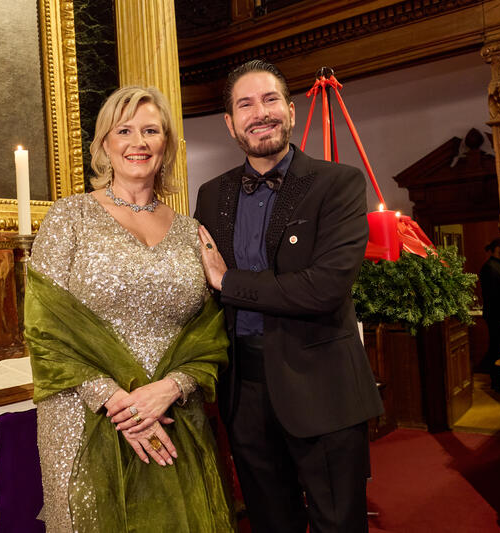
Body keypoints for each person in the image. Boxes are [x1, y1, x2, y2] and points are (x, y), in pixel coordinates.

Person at [25, 86, 234, 532]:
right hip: (83, 414)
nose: (137, 142)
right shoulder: (69, 218)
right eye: (124, 130)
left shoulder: (191, 231)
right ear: (105, 144)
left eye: (151, 131)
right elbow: (45, 330)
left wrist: (170, 389)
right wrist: (120, 404)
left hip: (174, 412)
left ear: (167, 146)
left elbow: (211, 334)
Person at [194, 59, 384, 533]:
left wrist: (228, 281)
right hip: (245, 392)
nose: (260, 113)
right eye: (245, 104)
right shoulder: (211, 195)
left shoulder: (337, 183)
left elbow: (323, 289)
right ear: (229, 123)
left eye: (270, 99)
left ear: (291, 110)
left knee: (336, 523)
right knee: (270, 521)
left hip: (323, 387)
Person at [479, 238, 500, 392]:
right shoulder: (490, 268)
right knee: (497, 348)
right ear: (498, 248)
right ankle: (498, 383)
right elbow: (494, 296)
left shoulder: (499, 266)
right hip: (497, 316)